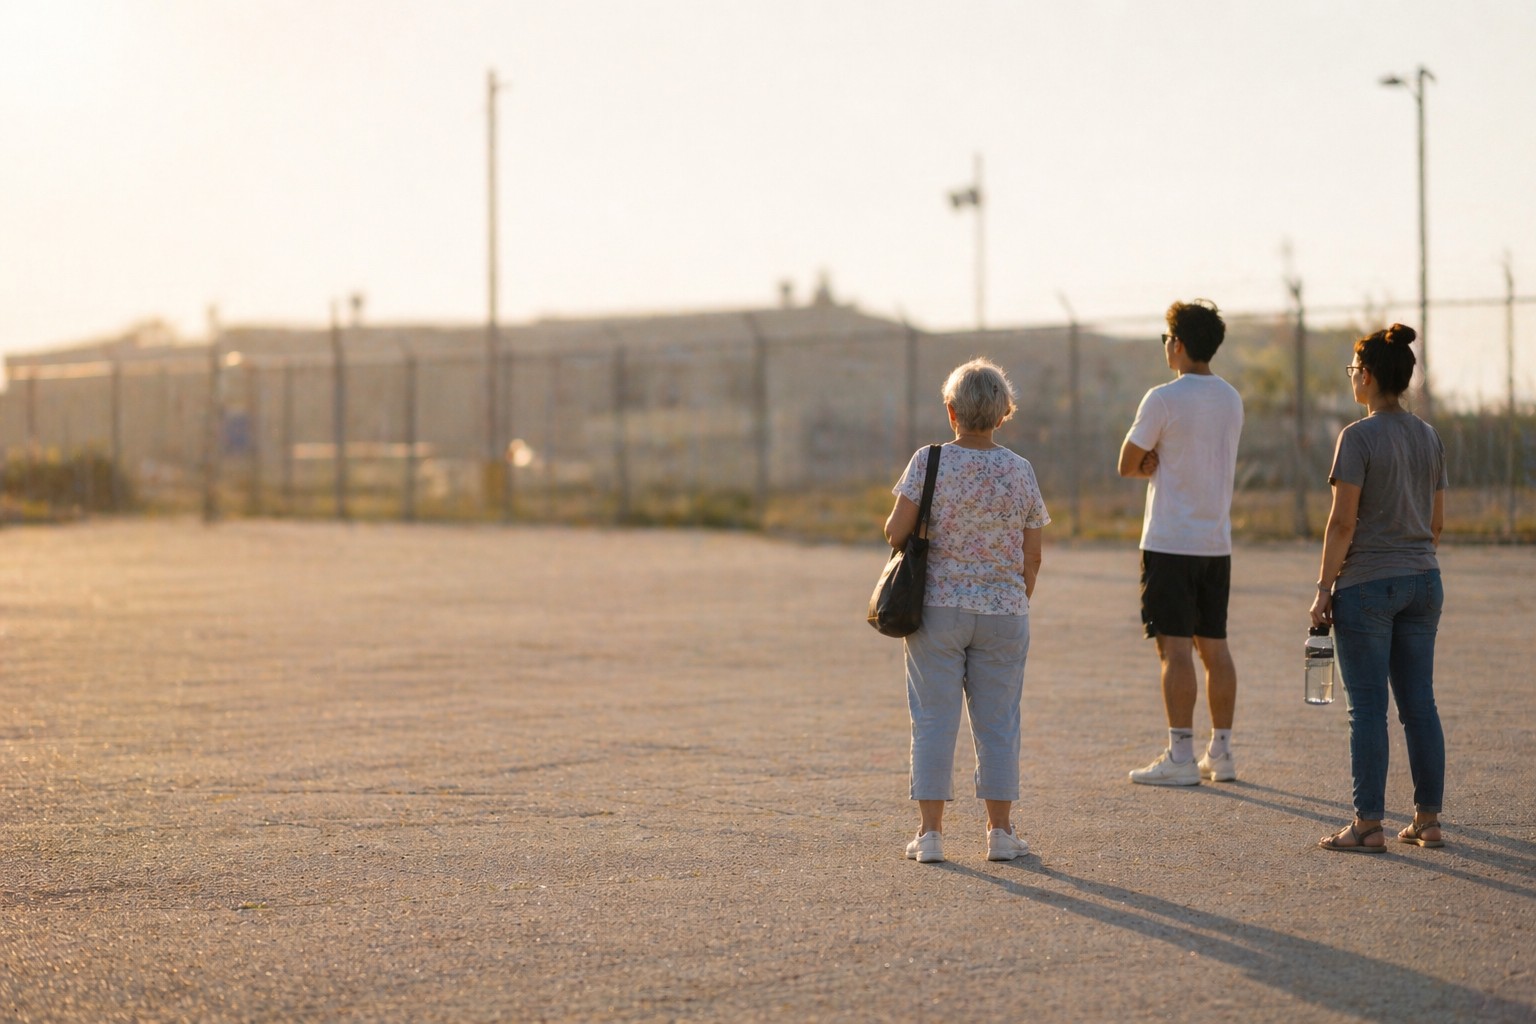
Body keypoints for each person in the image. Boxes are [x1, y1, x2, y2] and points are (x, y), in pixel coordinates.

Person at [884, 358, 1050, 864]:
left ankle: (930, 836)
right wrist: (1014, 597)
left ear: (951, 411)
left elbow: (895, 531)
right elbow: (1033, 553)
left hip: (937, 608)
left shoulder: (928, 461)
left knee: (933, 719)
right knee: (998, 722)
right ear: (1003, 414)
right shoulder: (1020, 470)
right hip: (1004, 611)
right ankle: (1001, 834)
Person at [1312, 324, 1447, 853]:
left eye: (1352, 371)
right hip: (1424, 580)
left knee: (1366, 709)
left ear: (1366, 377)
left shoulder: (1358, 436)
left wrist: (1324, 587)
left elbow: (1342, 523)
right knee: (1420, 705)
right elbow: (1436, 523)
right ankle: (1428, 820)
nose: (1352, 379)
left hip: (1368, 585)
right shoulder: (1428, 436)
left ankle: (1369, 825)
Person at [1119, 300, 1244, 786]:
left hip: (1171, 541)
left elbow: (1127, 463)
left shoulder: (1162, 398)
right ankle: (1223, 752)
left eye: (1168, 338)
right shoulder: (1231, 398)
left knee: (1174, 649)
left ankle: (1180, 756)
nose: (1166, 346)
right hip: (1216, 541)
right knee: (1215, 647)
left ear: (1181, 343)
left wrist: (1148, 460)